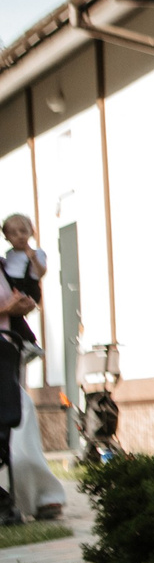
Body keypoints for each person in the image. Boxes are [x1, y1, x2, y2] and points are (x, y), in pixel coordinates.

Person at [0, 214, 65, 520]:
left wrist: (22, 306)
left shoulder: (7, 265)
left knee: (19, 409)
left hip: (6, 349)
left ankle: (38, 493)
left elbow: (30, 293)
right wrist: (6, 308)